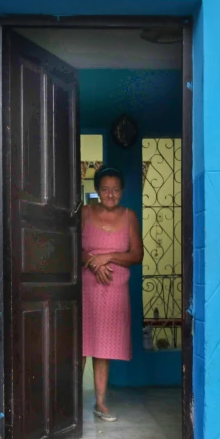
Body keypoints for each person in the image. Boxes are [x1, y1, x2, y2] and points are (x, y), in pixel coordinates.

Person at [81, 166, 143, 422]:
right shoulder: (84, 213)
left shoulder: (129, 217)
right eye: (105, 189)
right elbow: (70, 246)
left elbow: (137, 255)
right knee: (79, 345)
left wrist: (108, 257)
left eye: (115, 190)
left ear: (122, 191)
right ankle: (69, 405)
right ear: (96, 190)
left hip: (114, 291)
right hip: (86, 289)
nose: (110, 194)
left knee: (103, 347)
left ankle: (101, 403)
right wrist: (92, 262)